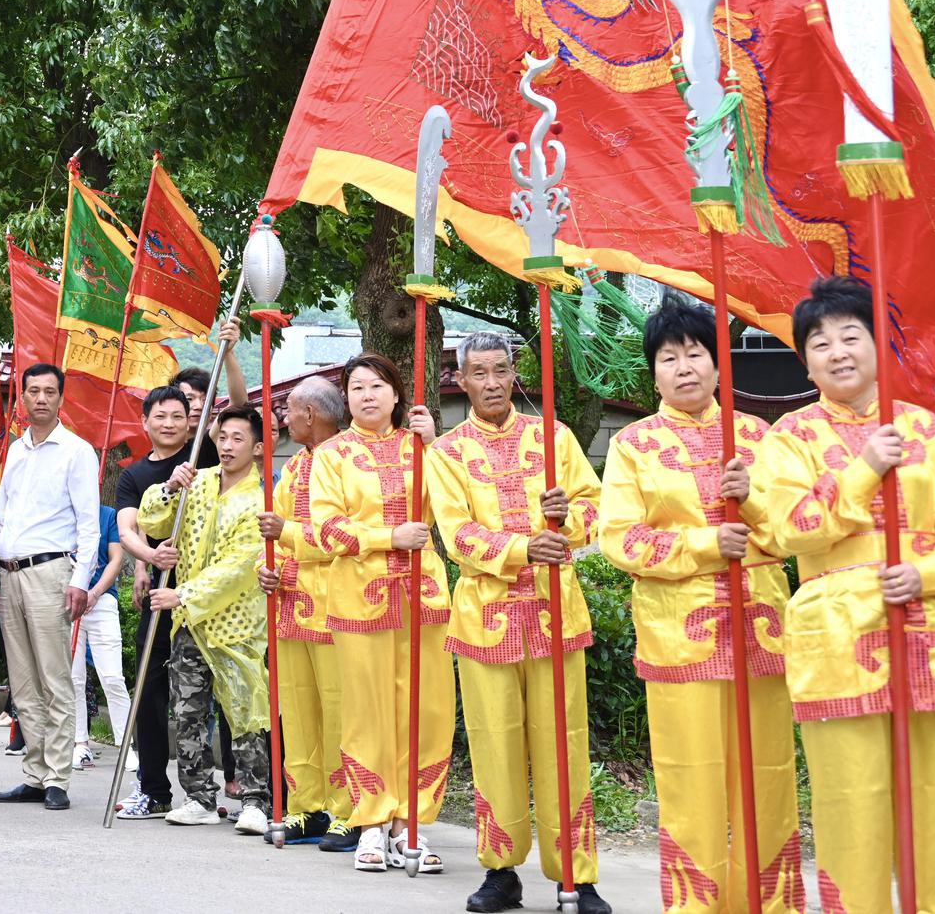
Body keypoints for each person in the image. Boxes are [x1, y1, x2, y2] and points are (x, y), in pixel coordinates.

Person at [752, 275, 935, 914]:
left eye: (851, 336)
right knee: (852, 813)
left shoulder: (932, 433)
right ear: (805, 359)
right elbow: (785, 529)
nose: (837, 352)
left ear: (878, 343)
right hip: (836, 646)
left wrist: (929, 574)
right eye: (820, 342)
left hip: (931, 639)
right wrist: (866, 467)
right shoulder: (789, 439)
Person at [601, 296, 800, 914]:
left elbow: (797, 530)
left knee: (766, 778)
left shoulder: (758, 437)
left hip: (761, 632)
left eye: (696, 353)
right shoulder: (633, 446)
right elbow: (621, 539)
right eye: (669, 357)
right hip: (678, 638)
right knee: (691, 779)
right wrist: (706, 542)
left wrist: (756, 502)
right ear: (652, 371)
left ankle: (770, 904)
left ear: (718, 364)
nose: (685, 367)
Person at [423, 332, 605, 907]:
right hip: (484, 620)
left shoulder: (555, 437)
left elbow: (596, 506)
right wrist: (528, 548)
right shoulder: (446, 453)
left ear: (515, 373)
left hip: (556, 614)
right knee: (494, 746)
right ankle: (500, 869)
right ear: (463, 380)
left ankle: (576, 872)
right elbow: (456, 534)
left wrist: (567, 520)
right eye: (479, 372)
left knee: (564, 746)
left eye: (501, 370)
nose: (493, 382)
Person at [311, 352, 454, 874]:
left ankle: (409, 824)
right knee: (368, 712)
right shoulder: (333, 455)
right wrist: (385, 537)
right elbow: (324, 527)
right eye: (356, 388)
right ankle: (372, 821)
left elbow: (457, 507)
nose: (366, 395)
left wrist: (436, 443)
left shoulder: (423, 449)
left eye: (376, 386)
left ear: (397, 394)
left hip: (424, 597)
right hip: (359, 596)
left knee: (427, 709)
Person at [139, 405, 275, 833]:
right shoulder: (197, 482)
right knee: (189, 709)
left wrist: (183, 593)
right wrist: (168, 488)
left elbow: (238, 568)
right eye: (223, 437)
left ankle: (256, 799)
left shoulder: (260, 500)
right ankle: (198, 795)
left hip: (235, 623)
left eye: (238, 438)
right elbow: (152, 520)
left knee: (246, 712)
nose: (228, 445)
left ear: (256, 447)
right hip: (190, 623)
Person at [0, 362, 98, 811]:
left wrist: (80, 581)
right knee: (23, 681)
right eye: (32, 391)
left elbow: (89, 526)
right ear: (22, 398)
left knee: (54, 678)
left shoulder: (76, 451)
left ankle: (58, 777)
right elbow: (3, 516)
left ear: (60, 398)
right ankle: (33, 772)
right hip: (9, 574)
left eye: (49, 392)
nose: (41, 399)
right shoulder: (15, 451)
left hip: (52, 572)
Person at [255, 374, 354, 846]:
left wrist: (287, 541)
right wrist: (266, 568)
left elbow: (347, 536)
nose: (283, 418)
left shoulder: (349, 460)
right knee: (295, 710)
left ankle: (346, 807)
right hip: (291, 607)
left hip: (336, 605)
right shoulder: (294, 466)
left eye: (289, 410)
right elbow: (270, 534)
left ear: (310, 415)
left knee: (339, 710)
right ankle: (306, 804)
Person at [112, 384, 204, 818]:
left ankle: (240, 787)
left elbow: (241, 407)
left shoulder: (205, 453)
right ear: (145, 422)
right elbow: (128, 528)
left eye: (177, 416)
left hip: (209, 592)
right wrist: (148, 556)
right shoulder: (133, 475)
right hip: (161, 590)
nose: (168, 424)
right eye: (159, 417)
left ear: (191, 419)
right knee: (149, 687)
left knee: (220, 686)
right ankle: (154, 788)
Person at [69, 500, 128, 776]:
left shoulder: (107, 515)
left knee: (113, 677)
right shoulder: (61, 513)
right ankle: (80, 742)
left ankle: (125, 745)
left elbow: (116, 558)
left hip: (101, 600)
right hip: (68, 600)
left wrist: (93, 593)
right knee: (74, 677)